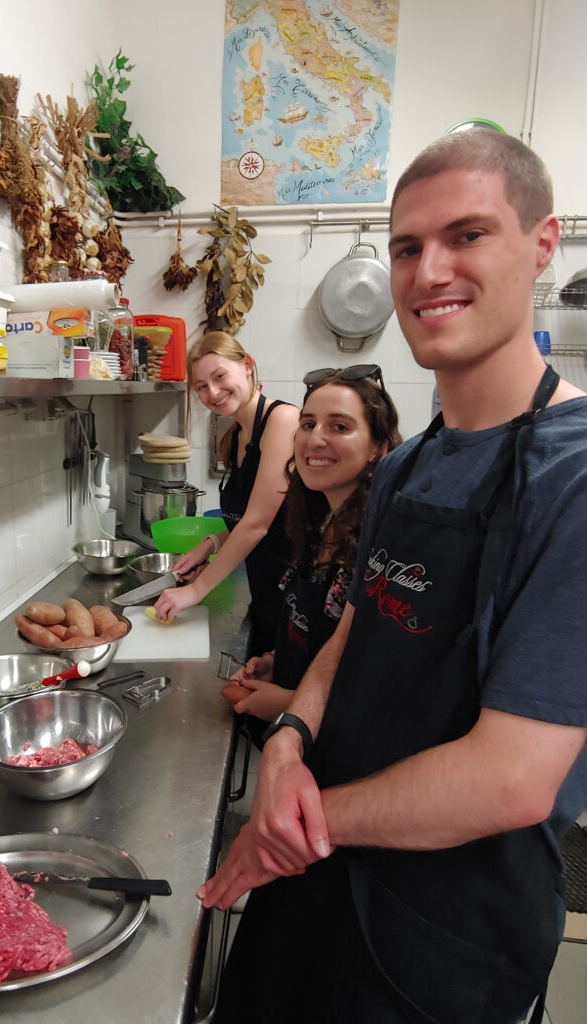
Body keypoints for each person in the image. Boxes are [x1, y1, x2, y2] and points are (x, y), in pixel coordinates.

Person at [199, 128, 587, 1024]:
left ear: (542, 244)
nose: (427, 270)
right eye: (408, 246)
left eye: (467, 235)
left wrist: (295, 822)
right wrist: (291, 736)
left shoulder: (574, 478)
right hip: (318, 881)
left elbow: (512, 779)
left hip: (448, 937)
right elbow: (354, 633)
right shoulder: (410, 465)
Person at [222, 365, 401, 727]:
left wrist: (290, 702)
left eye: (339, 426)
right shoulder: (319, 523)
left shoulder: (384, 547)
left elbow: (390, 689)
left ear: (377, 448)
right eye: (307, 424)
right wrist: (278, 661)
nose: (315, 439)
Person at [154, 332, 299, 656]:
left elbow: (258, 523)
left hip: (296, 596)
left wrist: (196, 590)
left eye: (219, 377)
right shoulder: (234, 436)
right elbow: (248, 517)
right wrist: (211, 544)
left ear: (247, 365)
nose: (213, 392)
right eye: (202, 386)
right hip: (265, 590)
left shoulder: (282, 420)